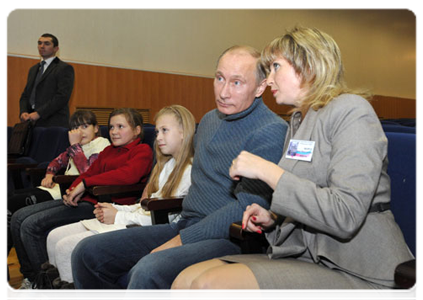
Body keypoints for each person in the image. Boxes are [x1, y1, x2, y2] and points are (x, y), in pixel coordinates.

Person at [170, 27, 414, 300]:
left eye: (275, 67)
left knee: (209, 287)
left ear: (307, 67)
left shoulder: (352, 111)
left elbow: (345, 213)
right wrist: (273, 218)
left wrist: (267, 170)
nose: (269, 78)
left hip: (359, 267)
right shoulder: (298, 120)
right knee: (184, 282)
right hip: (306, 255)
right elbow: (304, 192)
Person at [71, 45, 288, 300]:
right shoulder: (208, 120)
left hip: (231, 236)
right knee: (86, 253)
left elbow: (247, 207)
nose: (224, 91)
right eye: (219, 79)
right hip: (186, 224)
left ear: (261, 87)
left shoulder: (270, 130)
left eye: (237, 82)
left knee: (148, 270)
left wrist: (183, 240)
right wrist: (180, 233)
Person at [45, 105, 195, 287]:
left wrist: (118, 215)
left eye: (164, 130)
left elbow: (162, 216)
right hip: (134, 216)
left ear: (183, 133)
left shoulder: (189, 171)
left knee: (67, 247)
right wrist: (115, 209)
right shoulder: (166, 165)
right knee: (54, 236)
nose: (158, 137)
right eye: (157, 131)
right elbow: (144, 205)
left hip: (150, 228)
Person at [11, 108, 153, 300]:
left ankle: (46, 290)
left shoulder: (142, 150)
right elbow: (89, 173)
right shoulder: (108, 150)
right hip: (87, 199)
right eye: (111, 127)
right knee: (19, 217)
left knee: (31, 225)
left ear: (137, 130)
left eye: (121, 126)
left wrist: (84, 184)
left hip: (104, 205)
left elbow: (127, 175)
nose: (114, 131)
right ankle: (33, 279)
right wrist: (74, 188)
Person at [5, 110, 110, 282]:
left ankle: (27, 275)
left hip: (70, 194)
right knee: (8, 199)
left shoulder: (101, 145)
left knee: (11, 206)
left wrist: (75, 147)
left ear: (96, 128)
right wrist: (49, 174)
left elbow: (88, 173)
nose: (81, 132)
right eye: (76, 127)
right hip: (54, 188)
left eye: (85, 126)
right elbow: (57, 162)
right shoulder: (75, 147)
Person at [19, 33, 74, 128]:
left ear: (56, 49)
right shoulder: (33, 69)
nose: (42, 46)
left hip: (53, 123)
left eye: (47, 43)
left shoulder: (64, 68)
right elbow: (26, 95)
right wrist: (23, 111)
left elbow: (62, 97)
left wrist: (39, 113)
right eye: (39, 43)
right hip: (31, 123)